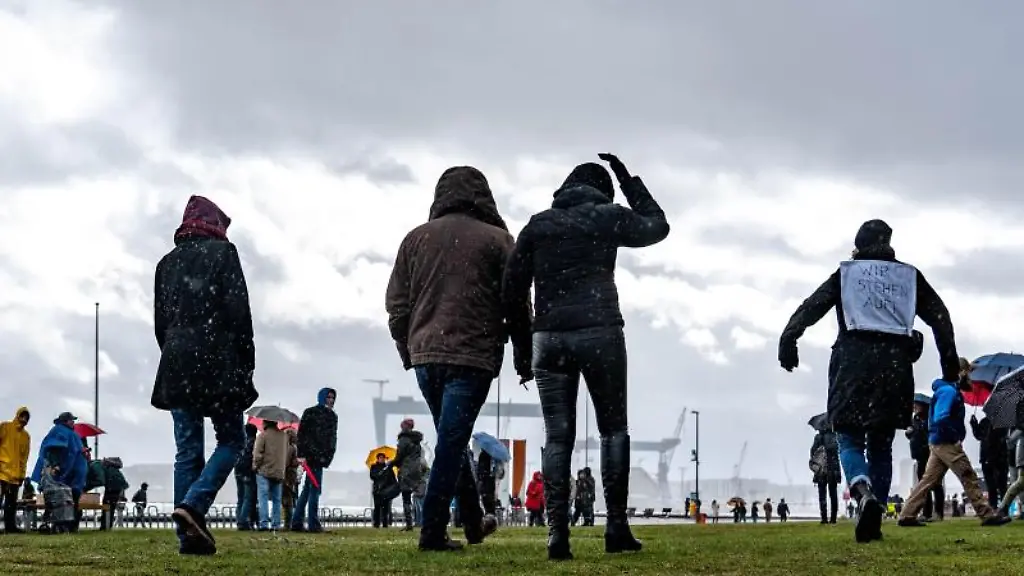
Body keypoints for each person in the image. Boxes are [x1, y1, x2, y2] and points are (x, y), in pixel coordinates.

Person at [503, 154, 669, 560]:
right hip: (601, 332)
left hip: (550, 337)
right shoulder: (606, 216)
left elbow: (511, 289)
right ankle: (616, 527)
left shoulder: (538, 225)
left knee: (558, 436)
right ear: (602, 190)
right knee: (614, 429)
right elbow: (657, 226)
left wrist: (524, 350)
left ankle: (557, 535)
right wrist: (629, 181)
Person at [778, 219, 959, 543]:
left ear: (858, 246)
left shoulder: (847, 274)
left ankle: (863, 494)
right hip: (895, 368)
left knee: (848, 438)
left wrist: (789, 337)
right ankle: (872, 516)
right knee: (881, 445)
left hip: (852, 364)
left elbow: (813, 306)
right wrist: (949, 366)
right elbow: (940, 317)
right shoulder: (909, 277)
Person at [385, 166, 524, 551]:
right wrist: (524, 355)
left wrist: (408, 348)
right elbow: (516, 303)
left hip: (426, 355)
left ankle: (475, 520)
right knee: (451, 440)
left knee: (452, 437)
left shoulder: (415, 240)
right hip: (472, 355)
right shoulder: (498, 241)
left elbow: (397, 305)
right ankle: (432, 531)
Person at [153, 195, 257, 555]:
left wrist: (176, 350)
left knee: (187, 451)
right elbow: (238, 313)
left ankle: (189, 539)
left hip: (176, 363)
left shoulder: (166, 264)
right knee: (231, 440)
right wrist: (246, 363)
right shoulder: (223, 255)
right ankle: (194, 505)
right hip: (218, 360)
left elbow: (161, 324)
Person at [898, 373, 1010, 528]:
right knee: (968, 475)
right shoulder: (949, 392)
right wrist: (954, 436)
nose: (971, 380)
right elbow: (941, 417)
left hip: (938, 442)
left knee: (928, 480)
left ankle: (907, 514)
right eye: (969, 375)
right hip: (946, 442)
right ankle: (986, 513)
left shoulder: (946, 390)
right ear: (961, 374)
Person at [30, 412, 87, 533]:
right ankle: (63, 526)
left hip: (71, 474)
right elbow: (54, 448)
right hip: (65, 474)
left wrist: (84, 452)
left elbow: (74, 450)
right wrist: (55, 465)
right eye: (71, 420)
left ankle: (69, 526)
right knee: (63, 499)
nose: (73, 422)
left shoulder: (69, 432)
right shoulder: (60, 431)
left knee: (69, 499)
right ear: (65, 421)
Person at [292, 388, 337, 533]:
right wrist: (302, 453)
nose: (331, 400)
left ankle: (297, 521)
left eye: (332, 398)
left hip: (318, 456)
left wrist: (328, 455)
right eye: (329, 397)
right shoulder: (312, 413)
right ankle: (313, 523)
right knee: (315, 489)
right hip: (314, 456)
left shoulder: (331, 416)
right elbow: (302, 434)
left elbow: (331, 438)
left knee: (308, 490)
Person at [906, 399, 944, 521]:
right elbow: (913, 434)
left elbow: (931, 434)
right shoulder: (914, 420)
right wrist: (910, 433)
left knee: (936, 483)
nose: (914, 407)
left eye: (916, 405)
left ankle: (938, 512)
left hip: (930, 454)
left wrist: (920, 430)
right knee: (923, 485)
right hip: (919, 456)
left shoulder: (931, 419)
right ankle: (926, 513)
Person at [389, 418, 425, 531]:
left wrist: (392, 463)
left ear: (404, 427)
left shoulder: (403, 439)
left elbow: (399, 456)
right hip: (416, 471)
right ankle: (423, 519)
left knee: (406, 497)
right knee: (418, 497)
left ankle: (409, 524)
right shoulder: (417, 441)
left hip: (405, 470)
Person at [253, 420, 289, 531]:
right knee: (277, 500)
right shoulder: (284, 437)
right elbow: (286, 454)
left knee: (263, 498)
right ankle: (276, 524)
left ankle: (264, 524)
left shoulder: (262, 436)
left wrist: (255, 466)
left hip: (264, 470)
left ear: (266, 423)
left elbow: (257, 454)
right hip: (279, 471)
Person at [0, 406, 30, 533]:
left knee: (11, 504)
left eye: (26, 417)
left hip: (15, 476)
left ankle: (10, 527)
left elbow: (24, 458)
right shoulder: (5, 427)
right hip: (1, 472)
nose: (24, 419)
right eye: (22, 416)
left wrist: (22, 475)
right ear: (18, 415)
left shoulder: (26, 436)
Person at [969, 414, 1008, 510]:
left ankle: (1003, 509)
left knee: (1002, 484)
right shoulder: (985, 421)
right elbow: (979, 436)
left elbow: (1000, 437)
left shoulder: (1003, 422)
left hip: (999, 457)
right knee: (991, 485)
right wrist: (974, 425)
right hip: (987, 457)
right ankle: (993, 507)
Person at [810, 428, 841, 524]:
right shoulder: (835, 436)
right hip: (832, 469)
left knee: (822, 495)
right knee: (833, 495)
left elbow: (812, 452)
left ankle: (824, 518)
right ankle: (833, 518)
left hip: (821, 470)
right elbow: (838, 451)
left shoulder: (818, 437)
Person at [234, 423, 258, 530]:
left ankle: (239, 519)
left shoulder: (241, 442)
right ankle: (243, 522)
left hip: (238, 471)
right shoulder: (254, 443)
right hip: (248, 472)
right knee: (248, 498)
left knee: (240, 497)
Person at [98, 457, 129, 530]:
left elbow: (101, 479)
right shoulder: (116, 471)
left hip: (110, 491)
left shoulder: (108, 470)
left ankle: (104, 526)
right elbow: (123, 485)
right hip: (115, 492)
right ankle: (108, 526)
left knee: (106, 508)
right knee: (111, 510)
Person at [370, 453, 398, 528]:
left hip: (386, 490)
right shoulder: (374, 466)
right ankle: (376, 524)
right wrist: (380, 473)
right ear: (377, 458)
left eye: (383, 458)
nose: (382, 459)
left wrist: (394, 487)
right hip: (377, 490)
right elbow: (372, 476)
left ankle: (385, 524)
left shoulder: (388, 467)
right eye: (380, 458)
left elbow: (393, 478)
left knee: (386, 507)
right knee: (377, 507)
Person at [282, 429, 299, 530]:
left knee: (286, 499)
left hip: (287, 475)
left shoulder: (289, 448)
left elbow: (286, 462)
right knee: (290, 498)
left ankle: (287, 524)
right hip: (292, 474)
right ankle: (290, 522)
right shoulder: (295, 447)